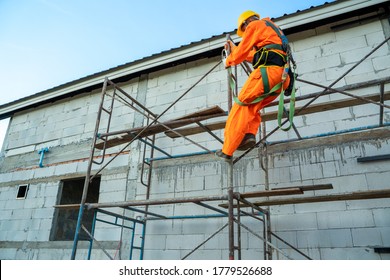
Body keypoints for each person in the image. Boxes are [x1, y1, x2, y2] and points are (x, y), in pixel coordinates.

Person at [216, 10, 291, 161]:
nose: (245, 33)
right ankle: (248, 136)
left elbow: (243, 52)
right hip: (282, 78)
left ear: (246, 23)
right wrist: (234, 48)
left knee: (240, 106)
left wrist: (228, 61)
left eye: (243, 31)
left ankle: (227, 150)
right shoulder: (272, 29)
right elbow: (253, 55)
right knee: (253, 106)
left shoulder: (254, 25)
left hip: (267, 73)